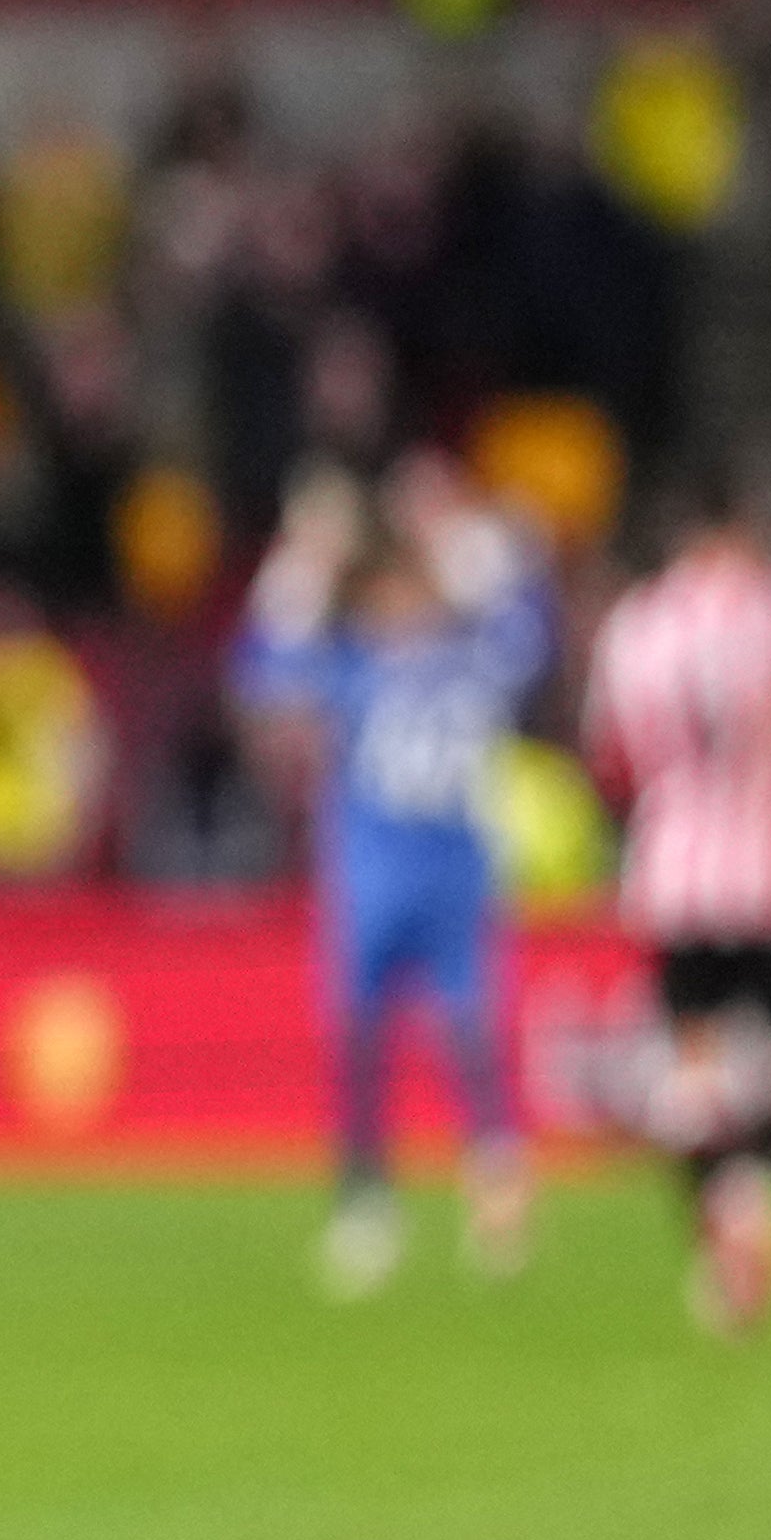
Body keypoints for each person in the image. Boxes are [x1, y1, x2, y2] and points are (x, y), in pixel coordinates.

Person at [232, 460, 552, 1297]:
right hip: (372, 875)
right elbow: (263, 670)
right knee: (361, 1038)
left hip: (450, 872)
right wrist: (303, 560)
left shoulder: (466, 657)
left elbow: (531, 626)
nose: (398, 608)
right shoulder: (357, 665)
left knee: (470, 1035)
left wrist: (465, 534)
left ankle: (496, 1187)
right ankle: (366, 1196)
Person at [580, 466, 771, 1336]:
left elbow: (613, 760)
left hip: (676, 873)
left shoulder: (638, 624)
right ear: (749, 527)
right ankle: (749, 1203)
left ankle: (722, 1233)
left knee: (694, 1073)